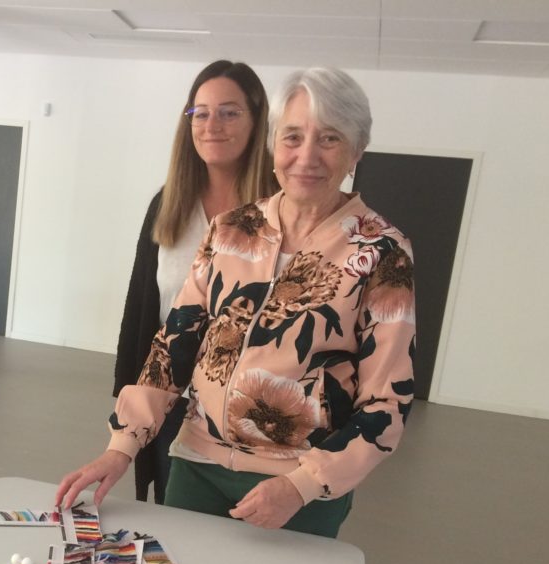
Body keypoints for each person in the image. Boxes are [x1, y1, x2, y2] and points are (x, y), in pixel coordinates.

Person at [58, 68, 416, 538]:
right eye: (293, 137)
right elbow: (175, 345)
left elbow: (387, 403)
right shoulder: (230, 230)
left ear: (356, 151)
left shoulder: (382, 253)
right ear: (272, 146)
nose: (306, 157)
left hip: (297, 482)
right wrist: (121, 445)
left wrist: (303, 485)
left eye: (329, 139)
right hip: (195, 465)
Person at [114, 60, 278, 504]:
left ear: (256, 119)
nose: (212, 125)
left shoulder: (279, 207)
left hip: (248, 410)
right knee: (176, 526)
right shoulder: (168, 204)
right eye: (200, 113)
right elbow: (142, 309)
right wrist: (125, 405)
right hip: (169, 395)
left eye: (229, 112)